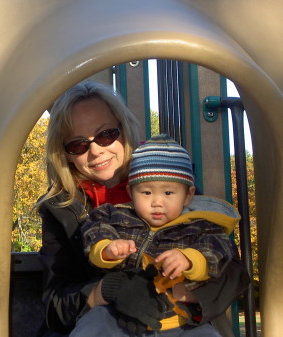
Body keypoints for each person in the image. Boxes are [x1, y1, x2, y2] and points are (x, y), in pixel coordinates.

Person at [36, 80, 249, 337]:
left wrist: (173, 291)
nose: (96, 152)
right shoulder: (62, 208)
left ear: (123, 129)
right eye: (79, 145)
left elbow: (231, 269)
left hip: (175, 314)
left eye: (106, 135)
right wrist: (108, 289)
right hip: (102, 319)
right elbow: (55, 304)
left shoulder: (166, 181)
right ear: (66, 154)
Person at [81, 134, 241, 336]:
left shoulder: (200, 227)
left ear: (188, 195)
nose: (157, 202)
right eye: (146, 193)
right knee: (93, 324)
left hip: (179, 320)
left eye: (168, 193)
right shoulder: (116, 216)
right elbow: (94, 231)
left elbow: (217, 251)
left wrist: (189, 259)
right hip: (120, 315)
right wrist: (107, 250)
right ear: (131, 192)